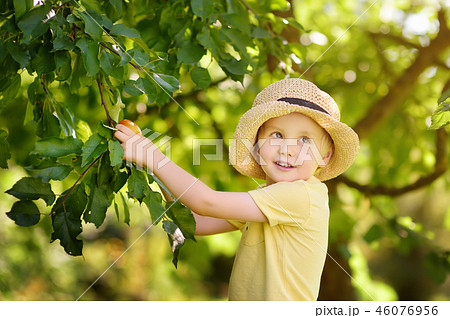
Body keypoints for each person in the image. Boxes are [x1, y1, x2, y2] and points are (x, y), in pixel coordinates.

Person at [114, 78, 359, 300]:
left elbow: (206, 202)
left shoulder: (301, 196)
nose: (288, 149)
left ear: (325, 156)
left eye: (305, 140)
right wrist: (150, 168)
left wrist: (154, 158)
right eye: (276, 135)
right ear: (256, 146)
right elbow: (196, 222)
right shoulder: (265, 200)